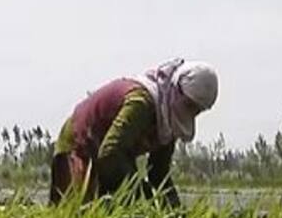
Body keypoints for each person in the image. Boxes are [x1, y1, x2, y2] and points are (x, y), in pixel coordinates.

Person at [50, 59, 218, 207]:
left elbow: (158, 173)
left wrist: (175, 212)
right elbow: (111, 153)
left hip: (110, 156)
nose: (191, 113)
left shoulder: (169, 120)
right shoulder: (141, 103)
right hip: (80, 144)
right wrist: (140, 192)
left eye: (197, 110)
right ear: (177, 90)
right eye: (189, 106)